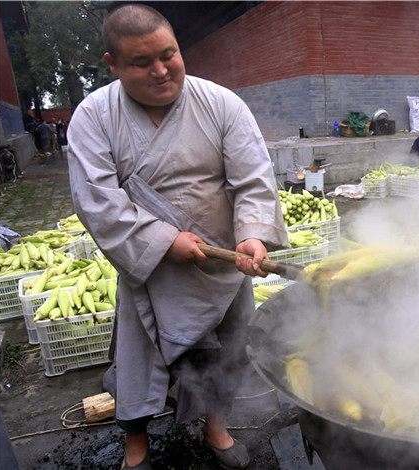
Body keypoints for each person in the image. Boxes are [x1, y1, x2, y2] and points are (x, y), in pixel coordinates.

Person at [66, 4, 288, 470]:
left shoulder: (221, 103)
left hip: (224, 262)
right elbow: (97, 199)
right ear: (112, 64)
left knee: (229, 352)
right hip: (151, 266)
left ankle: (216, 428)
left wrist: (252, 234)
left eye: (168, 54)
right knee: (139, 362)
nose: (161, 70)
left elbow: (253, 179)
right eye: (141, 62)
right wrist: (165, 240)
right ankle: (136, 445)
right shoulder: (94, 116)